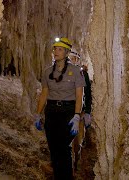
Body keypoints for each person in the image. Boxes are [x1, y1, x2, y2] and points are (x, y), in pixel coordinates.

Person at [34, 37, 86, 180]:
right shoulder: (47, 72)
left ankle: (67, 177)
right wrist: (38, 114)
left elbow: (79, 95)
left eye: (60, 49)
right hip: (51, 112)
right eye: (55, 49)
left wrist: (77, 116)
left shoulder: (76, 72)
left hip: (67, 112)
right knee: (54, 148)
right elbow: (44, 93)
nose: (56, 52)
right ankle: (58, 176)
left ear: (67, 52)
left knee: (64, 147)